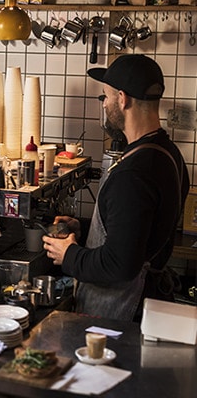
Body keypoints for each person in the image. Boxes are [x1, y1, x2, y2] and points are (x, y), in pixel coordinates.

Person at [42, 55, 190, 322]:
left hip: (122, 314)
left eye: (105, 97)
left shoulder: (133, 173)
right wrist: (85, 229)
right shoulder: (168, 153)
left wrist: (69, 255)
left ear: (123, 99)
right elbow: (137, 232)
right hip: (147, 301)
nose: (104, 104)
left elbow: (120, 264)